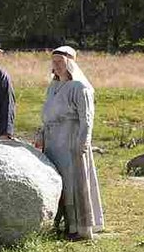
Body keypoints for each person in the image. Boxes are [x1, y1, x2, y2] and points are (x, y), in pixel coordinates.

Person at [35, 46, 104, 240]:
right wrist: (41, 133)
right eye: (53, 62)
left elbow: (87, 117)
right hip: (53, 140)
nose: (56, 66)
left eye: (60, 62)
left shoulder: (80, 88)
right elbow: (47, 114)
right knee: (58, 182)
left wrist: (83, 141)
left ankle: (79, 227)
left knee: (73, 182)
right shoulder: (53, 86)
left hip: (70, 139)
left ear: (70, 63)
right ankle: (61, 223)